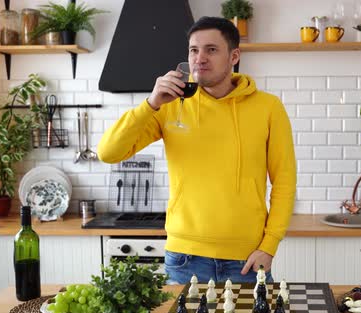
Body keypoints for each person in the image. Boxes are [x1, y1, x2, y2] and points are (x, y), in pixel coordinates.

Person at [97, 16, 296, 284]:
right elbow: (108, 152)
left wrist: (269, 245)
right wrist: (150, 103)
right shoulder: (168, 104)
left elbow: (284, 182)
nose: (199, 58)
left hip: (247, 260)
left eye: (211, 50)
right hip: (184, 258)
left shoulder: (269, 107)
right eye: (193, 50)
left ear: (234, 56)